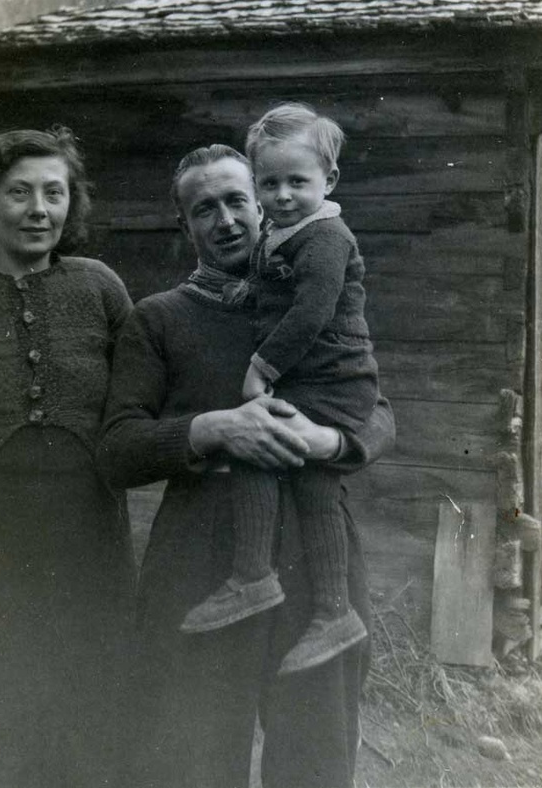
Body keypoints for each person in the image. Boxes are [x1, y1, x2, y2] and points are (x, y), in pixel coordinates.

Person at [98, 142, 395, 788]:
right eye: (205, 209)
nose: (227, 220)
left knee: (315, 753)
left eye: (238, 200)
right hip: (202, 558)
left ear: (264, 202)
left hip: (315, 556)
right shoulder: (159, 319)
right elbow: (117, 449)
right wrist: (213, 429)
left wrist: (330, 444)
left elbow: (376, 406)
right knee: (191, 756)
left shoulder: (316, 295)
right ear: (185, 226)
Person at [0, 127, 136, 788]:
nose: (38, 209)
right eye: (18, 193)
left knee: (84, 680)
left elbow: (138, 391)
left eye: (54, 193)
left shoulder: (101, 287)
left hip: (84, 517)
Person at [181, 104, 380, 677]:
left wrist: (262, 366)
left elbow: (311, 311)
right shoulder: (285, 233)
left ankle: (252, 575)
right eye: (270, 183)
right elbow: (276, 291)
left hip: (329, 381)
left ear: (329, 181)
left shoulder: (324, 237)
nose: (284, 195)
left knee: (258, 445)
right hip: (330, 382)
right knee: (315, 484)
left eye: (298, 182)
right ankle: (333, 611)